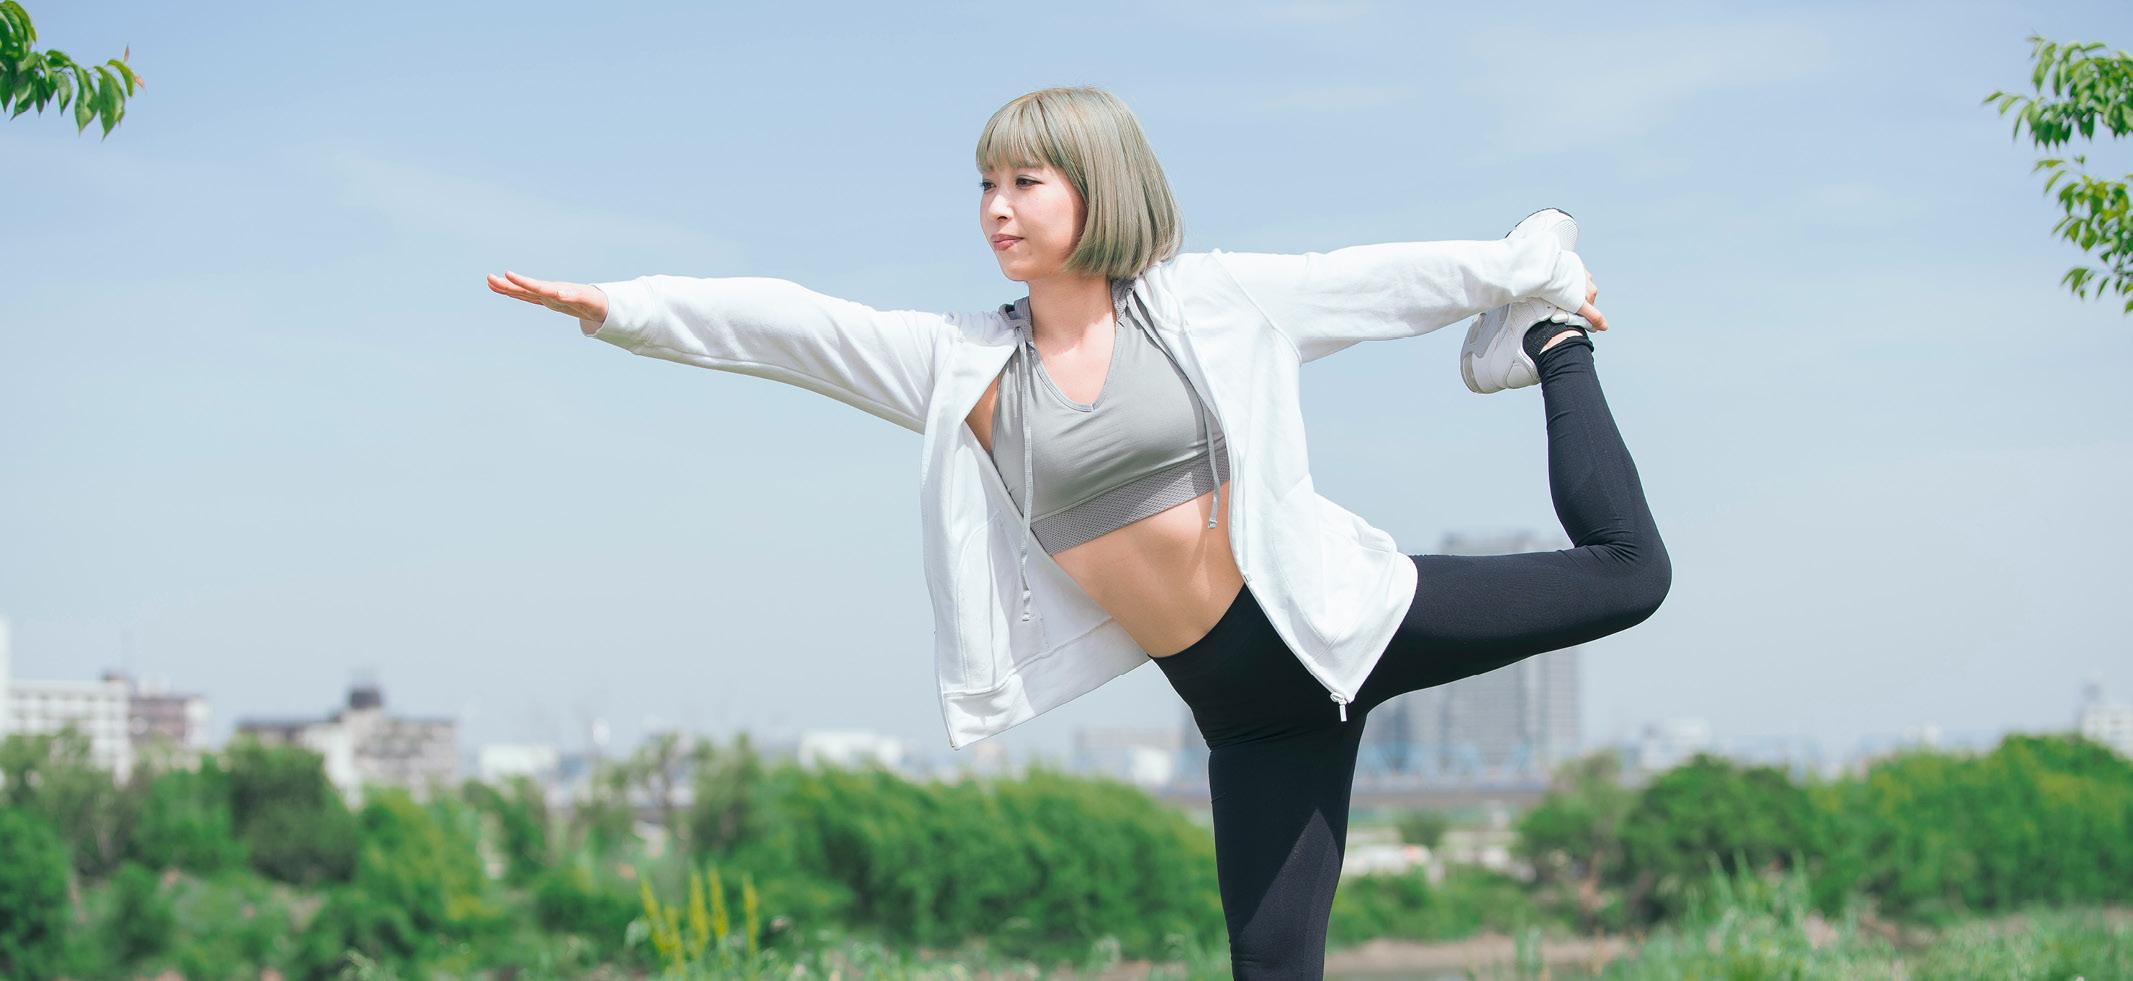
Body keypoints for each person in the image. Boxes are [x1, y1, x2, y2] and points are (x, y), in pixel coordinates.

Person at [488, 86, 1669, 980]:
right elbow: (794, 326)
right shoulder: (964, 361)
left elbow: (1379, 279)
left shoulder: (1205, 301)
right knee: (1272, 970)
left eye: (1027, 183)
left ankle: (1548, 345)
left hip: (1346, 621)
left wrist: (1527, 274)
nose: (998, 209)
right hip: (1250, 714)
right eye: (987, 186)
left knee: (1631, 576)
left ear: (1096, 189)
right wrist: (622, 309)